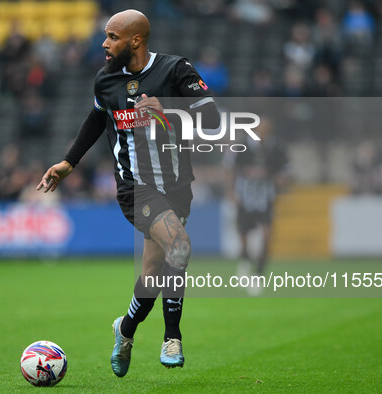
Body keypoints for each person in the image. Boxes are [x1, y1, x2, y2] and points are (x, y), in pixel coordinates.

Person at [37, 9, 219, 377]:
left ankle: (125, 330)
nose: (104, 43)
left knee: (153, 272)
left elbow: (212, 119)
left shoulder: (175, 70)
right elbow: (96, 119)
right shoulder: (106, 81)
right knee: (180, 246)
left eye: (112, 37)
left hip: (177, 186)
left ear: (135, 40)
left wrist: (168, 112)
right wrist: (69, 163)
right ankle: (172, 338)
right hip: (136, 188)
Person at [226, 118, 289, 295]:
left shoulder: (276, 148)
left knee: (267, 236)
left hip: (265, 198)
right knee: (244, 236)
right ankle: (245, 262)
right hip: (245, 197)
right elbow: (230, 167)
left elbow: (286, 172)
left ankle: (258, 275)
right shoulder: (242, 145)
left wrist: (278, 179)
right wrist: (231, 191)